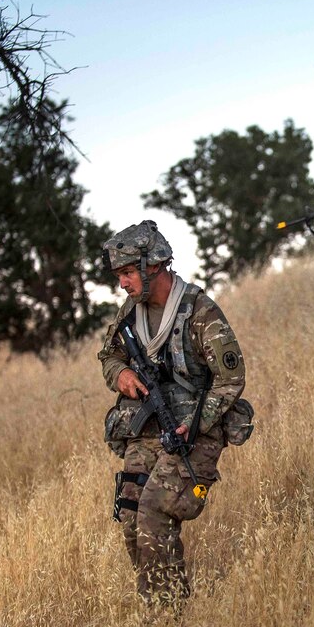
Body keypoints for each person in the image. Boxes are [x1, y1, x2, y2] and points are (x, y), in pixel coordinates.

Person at [97, 220, 247, 606]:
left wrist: (195, 423)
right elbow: (109, 355)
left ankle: (168, 616)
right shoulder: (131, 313)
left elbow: (230, 380)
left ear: (154, 266)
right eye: (119, 275)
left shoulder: (200, 312)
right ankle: (159, 610)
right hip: (148, 427)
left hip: (196, 431)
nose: (123, 284)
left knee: (154, 512)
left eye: (128, 273)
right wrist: (122, 373)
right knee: (130, 517)